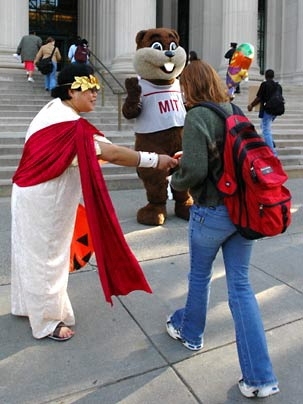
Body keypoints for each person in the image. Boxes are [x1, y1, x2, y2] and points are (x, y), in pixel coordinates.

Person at [11, 63, 178, 342]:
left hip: (31, 193)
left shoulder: (54, 113)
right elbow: (110, 153)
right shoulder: (68, 124)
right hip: (45, 199)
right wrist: (156, 159)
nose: (95, 94)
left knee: (32, 254)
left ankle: (28, 306)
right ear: (71, 90)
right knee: (50, 258)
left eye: (96, 88)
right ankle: (48, 320)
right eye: (89, 88)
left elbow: (99, 149)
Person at [165, 60, 280, 399]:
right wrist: (196, 156)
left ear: (189, 87)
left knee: (199, 277)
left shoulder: (197, 115)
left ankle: (191, 333)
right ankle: (260, 377)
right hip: (242, 213)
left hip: (211, 212)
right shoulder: (235, 111)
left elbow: (196, 170)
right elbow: (229, 155)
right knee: (241, 288)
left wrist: (176, 177)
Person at [248, 69, 281, 155]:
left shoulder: (264, 85)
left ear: (265, 76)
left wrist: (251, 105)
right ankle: (271, 142)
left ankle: (273, 154)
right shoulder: (278, 86)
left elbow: (259, 98)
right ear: (273, 76)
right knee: (264, 125)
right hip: (276, 111)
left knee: (266, 130)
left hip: (268, 110)